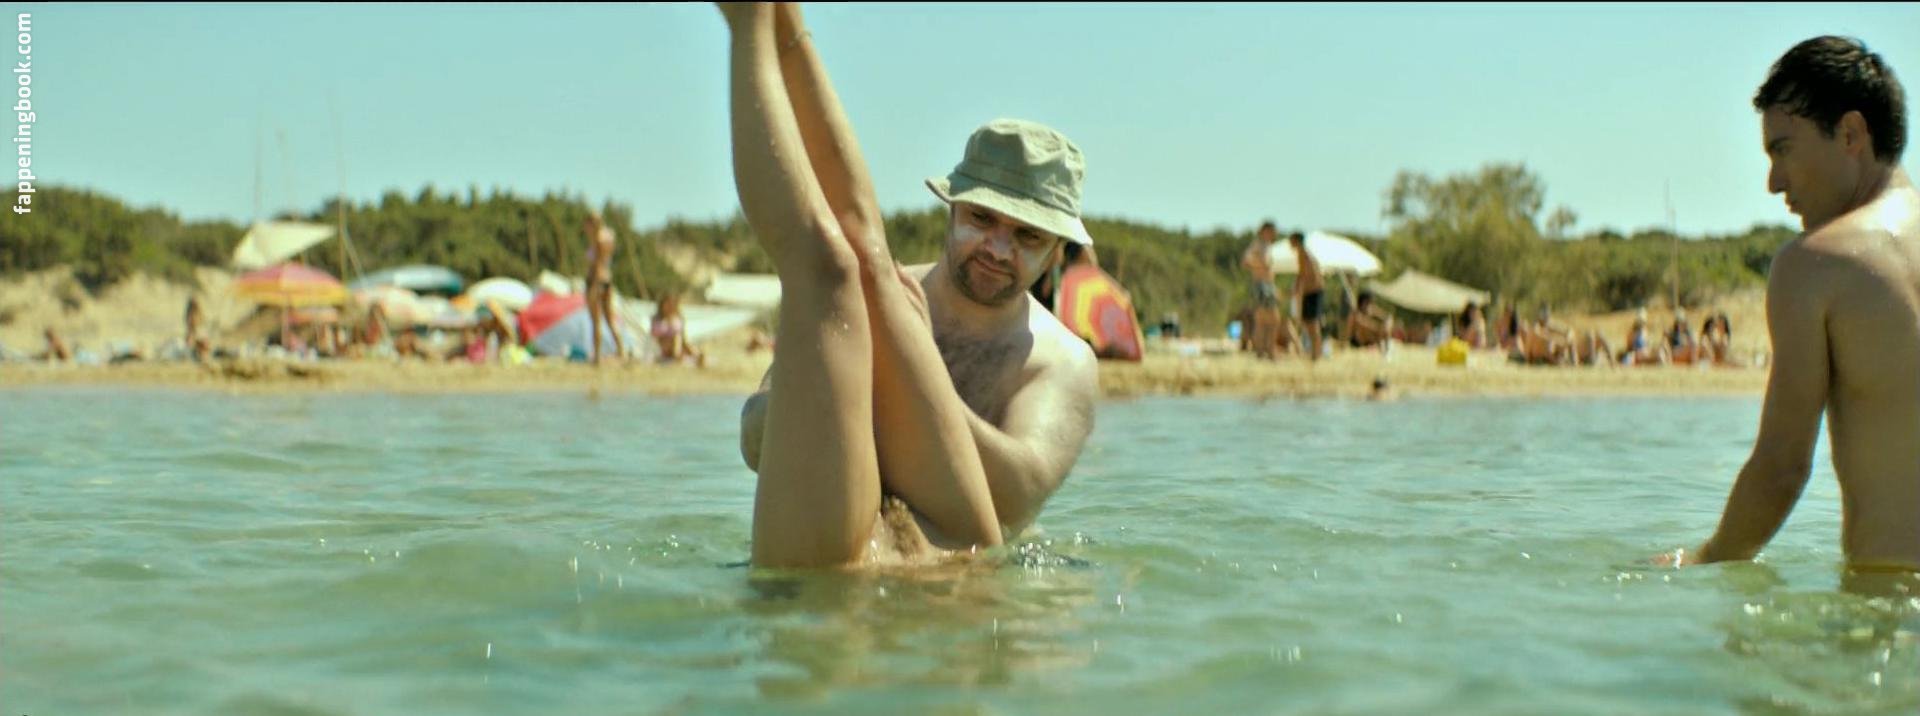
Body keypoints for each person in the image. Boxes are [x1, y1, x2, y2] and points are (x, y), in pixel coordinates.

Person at [722, 3, 1098, 569]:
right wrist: (847, 385)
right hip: (838, 531)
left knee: (830, 268)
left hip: (948, 565)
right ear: (951, 208)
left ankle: (751, 27)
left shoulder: (1062, 360)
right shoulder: (891, 290)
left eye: (1027, 236)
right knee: (844, 264)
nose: (998, 249)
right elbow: (756, 440)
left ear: (1055, 250)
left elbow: (1016, 496)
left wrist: (907, 365)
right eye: (982, 219)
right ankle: (779, 24)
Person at [1657, 36, 1919, 574]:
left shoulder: (1817, 264)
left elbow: (1782, 467)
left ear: (1850, 134)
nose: (1773, 182)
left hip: (1893, 602)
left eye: (1782, 150)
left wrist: (1703, 559)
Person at [582, 212, 626, 365]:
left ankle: (597, 356)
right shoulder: (608, 236)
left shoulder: (598, 240)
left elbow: (598, 265)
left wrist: (594, 285)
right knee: (609, 318)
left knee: (596, 320)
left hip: (597, 280)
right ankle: (621, 350)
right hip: (607, 280)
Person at [1241, 221, 1282, 360]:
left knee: (1266, 320)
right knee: (1268, 319)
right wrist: (1261, 265)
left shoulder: (1267, 245)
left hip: (1268, 284)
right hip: (1262, 284)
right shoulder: (1258, 244)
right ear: (1265, 230)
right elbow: (1245, 261)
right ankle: (1266, 351)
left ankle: (1265, 351)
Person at [1289, 231, 1325, 361]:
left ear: (1296, 241)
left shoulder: (1303, 254)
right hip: (1313, 292)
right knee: (1311, 324)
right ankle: (1316, 354)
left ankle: (1316, 354)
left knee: (1312, 324)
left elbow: (1303, 276)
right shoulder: (1307, 254)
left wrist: (1296, 291)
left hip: (1311, 293)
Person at [650, 292, 706, 366]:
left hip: (677, 343)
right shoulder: (657, 319)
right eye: (668, 304)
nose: (670, 306)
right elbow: (654, 335)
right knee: (676, 338)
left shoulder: (678, 319)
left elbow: (682, 335)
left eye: (671, 304)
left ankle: (696, 355)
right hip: (662, 345)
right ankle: (678, 355)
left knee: (681, 341)